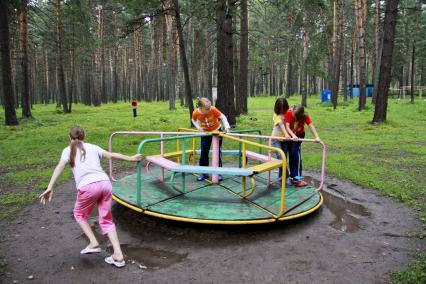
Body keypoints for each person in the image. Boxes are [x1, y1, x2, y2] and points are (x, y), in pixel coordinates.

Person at [39, 126, 142, 268]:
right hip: (105, 184)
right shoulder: (93, 147)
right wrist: (130, 158)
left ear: (69, 138)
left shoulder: (67, 150)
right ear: (84, 136)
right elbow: (111, 155)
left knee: (79, 214)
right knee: (106, 220)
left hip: (88, 187)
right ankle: (118, 255)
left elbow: (60, 167)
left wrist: (50, 187)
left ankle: (94, 243)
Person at [191, 97, 231, 181]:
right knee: (204, 151)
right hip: (205, 133)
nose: (209, 110)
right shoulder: (195, 112)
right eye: (207, 109)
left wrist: (227, 127)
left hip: (217, 131)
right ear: (200, 108)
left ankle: (218, 172)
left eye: (209, 107)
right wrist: (199, 128)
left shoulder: (213, 109)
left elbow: (223, 117)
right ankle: (203, 172)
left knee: (217, 151)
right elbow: (193, 120)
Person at [284, 104, 320, 187]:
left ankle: (298, 178)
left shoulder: (305, 116)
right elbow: (287, 127)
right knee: (291, 155)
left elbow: (311, 126)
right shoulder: (289, 113)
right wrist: (293, 135)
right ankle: (293, 177)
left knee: (295, 153)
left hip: (300, 135)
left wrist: (317, 137)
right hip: (291, 136)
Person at [271, 98, 291, 182]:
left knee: (284, 158)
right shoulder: (276, 114)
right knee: (280, 157)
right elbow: (281, 125)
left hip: (284, 140)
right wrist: (287, 134)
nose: (282, 110)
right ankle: (286, 175)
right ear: (277, 107)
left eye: (284, 108)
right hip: (276, 138)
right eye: (280, 108)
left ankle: (281, 177)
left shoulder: (287, 113)